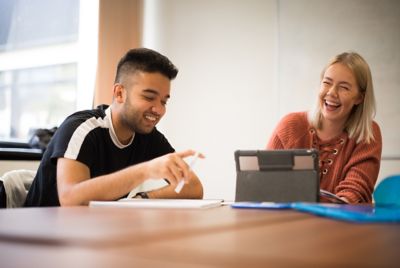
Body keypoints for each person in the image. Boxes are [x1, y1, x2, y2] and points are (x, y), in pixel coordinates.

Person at [24, 48, 203, 207]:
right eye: (149, 97)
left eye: (164, 101)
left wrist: (143, 198)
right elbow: (70, 198)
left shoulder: (148, 136)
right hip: (44, 237)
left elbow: (193, 187)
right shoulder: (82, 129)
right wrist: (146, 170)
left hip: (95, 234)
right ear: (119, 93)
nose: (159, 110)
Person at [267, 51, 382, 204]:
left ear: (359, 98)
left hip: (343, 225)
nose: (331, 93)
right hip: (291, 222)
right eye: (327, 83)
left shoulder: (367, 133)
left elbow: (353, 193)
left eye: (344, 87)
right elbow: (265, 183)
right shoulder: (290, 126)